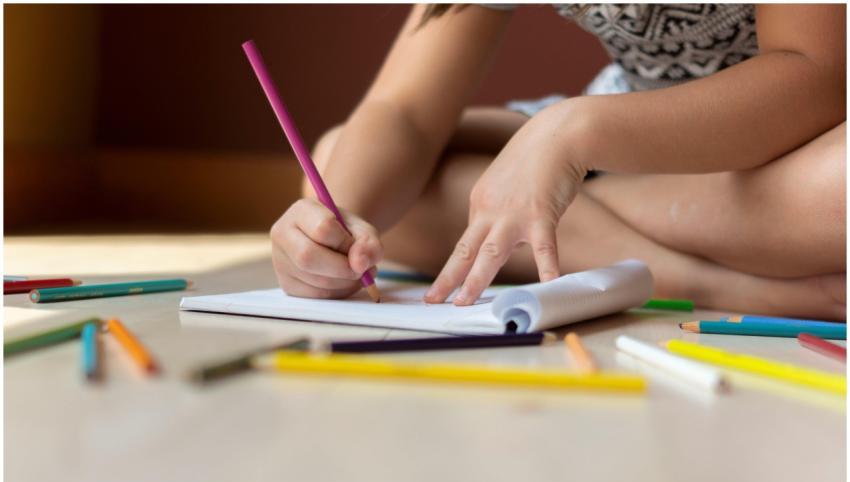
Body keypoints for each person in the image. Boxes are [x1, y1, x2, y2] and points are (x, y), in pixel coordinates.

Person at [270, 4, 846, 319]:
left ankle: (578, 213)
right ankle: (724, 285)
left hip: (805, 140)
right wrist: (335, 228)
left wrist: (572, 133)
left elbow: (817, 76)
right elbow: (405, 112)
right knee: (336, 159)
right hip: (629, 132)